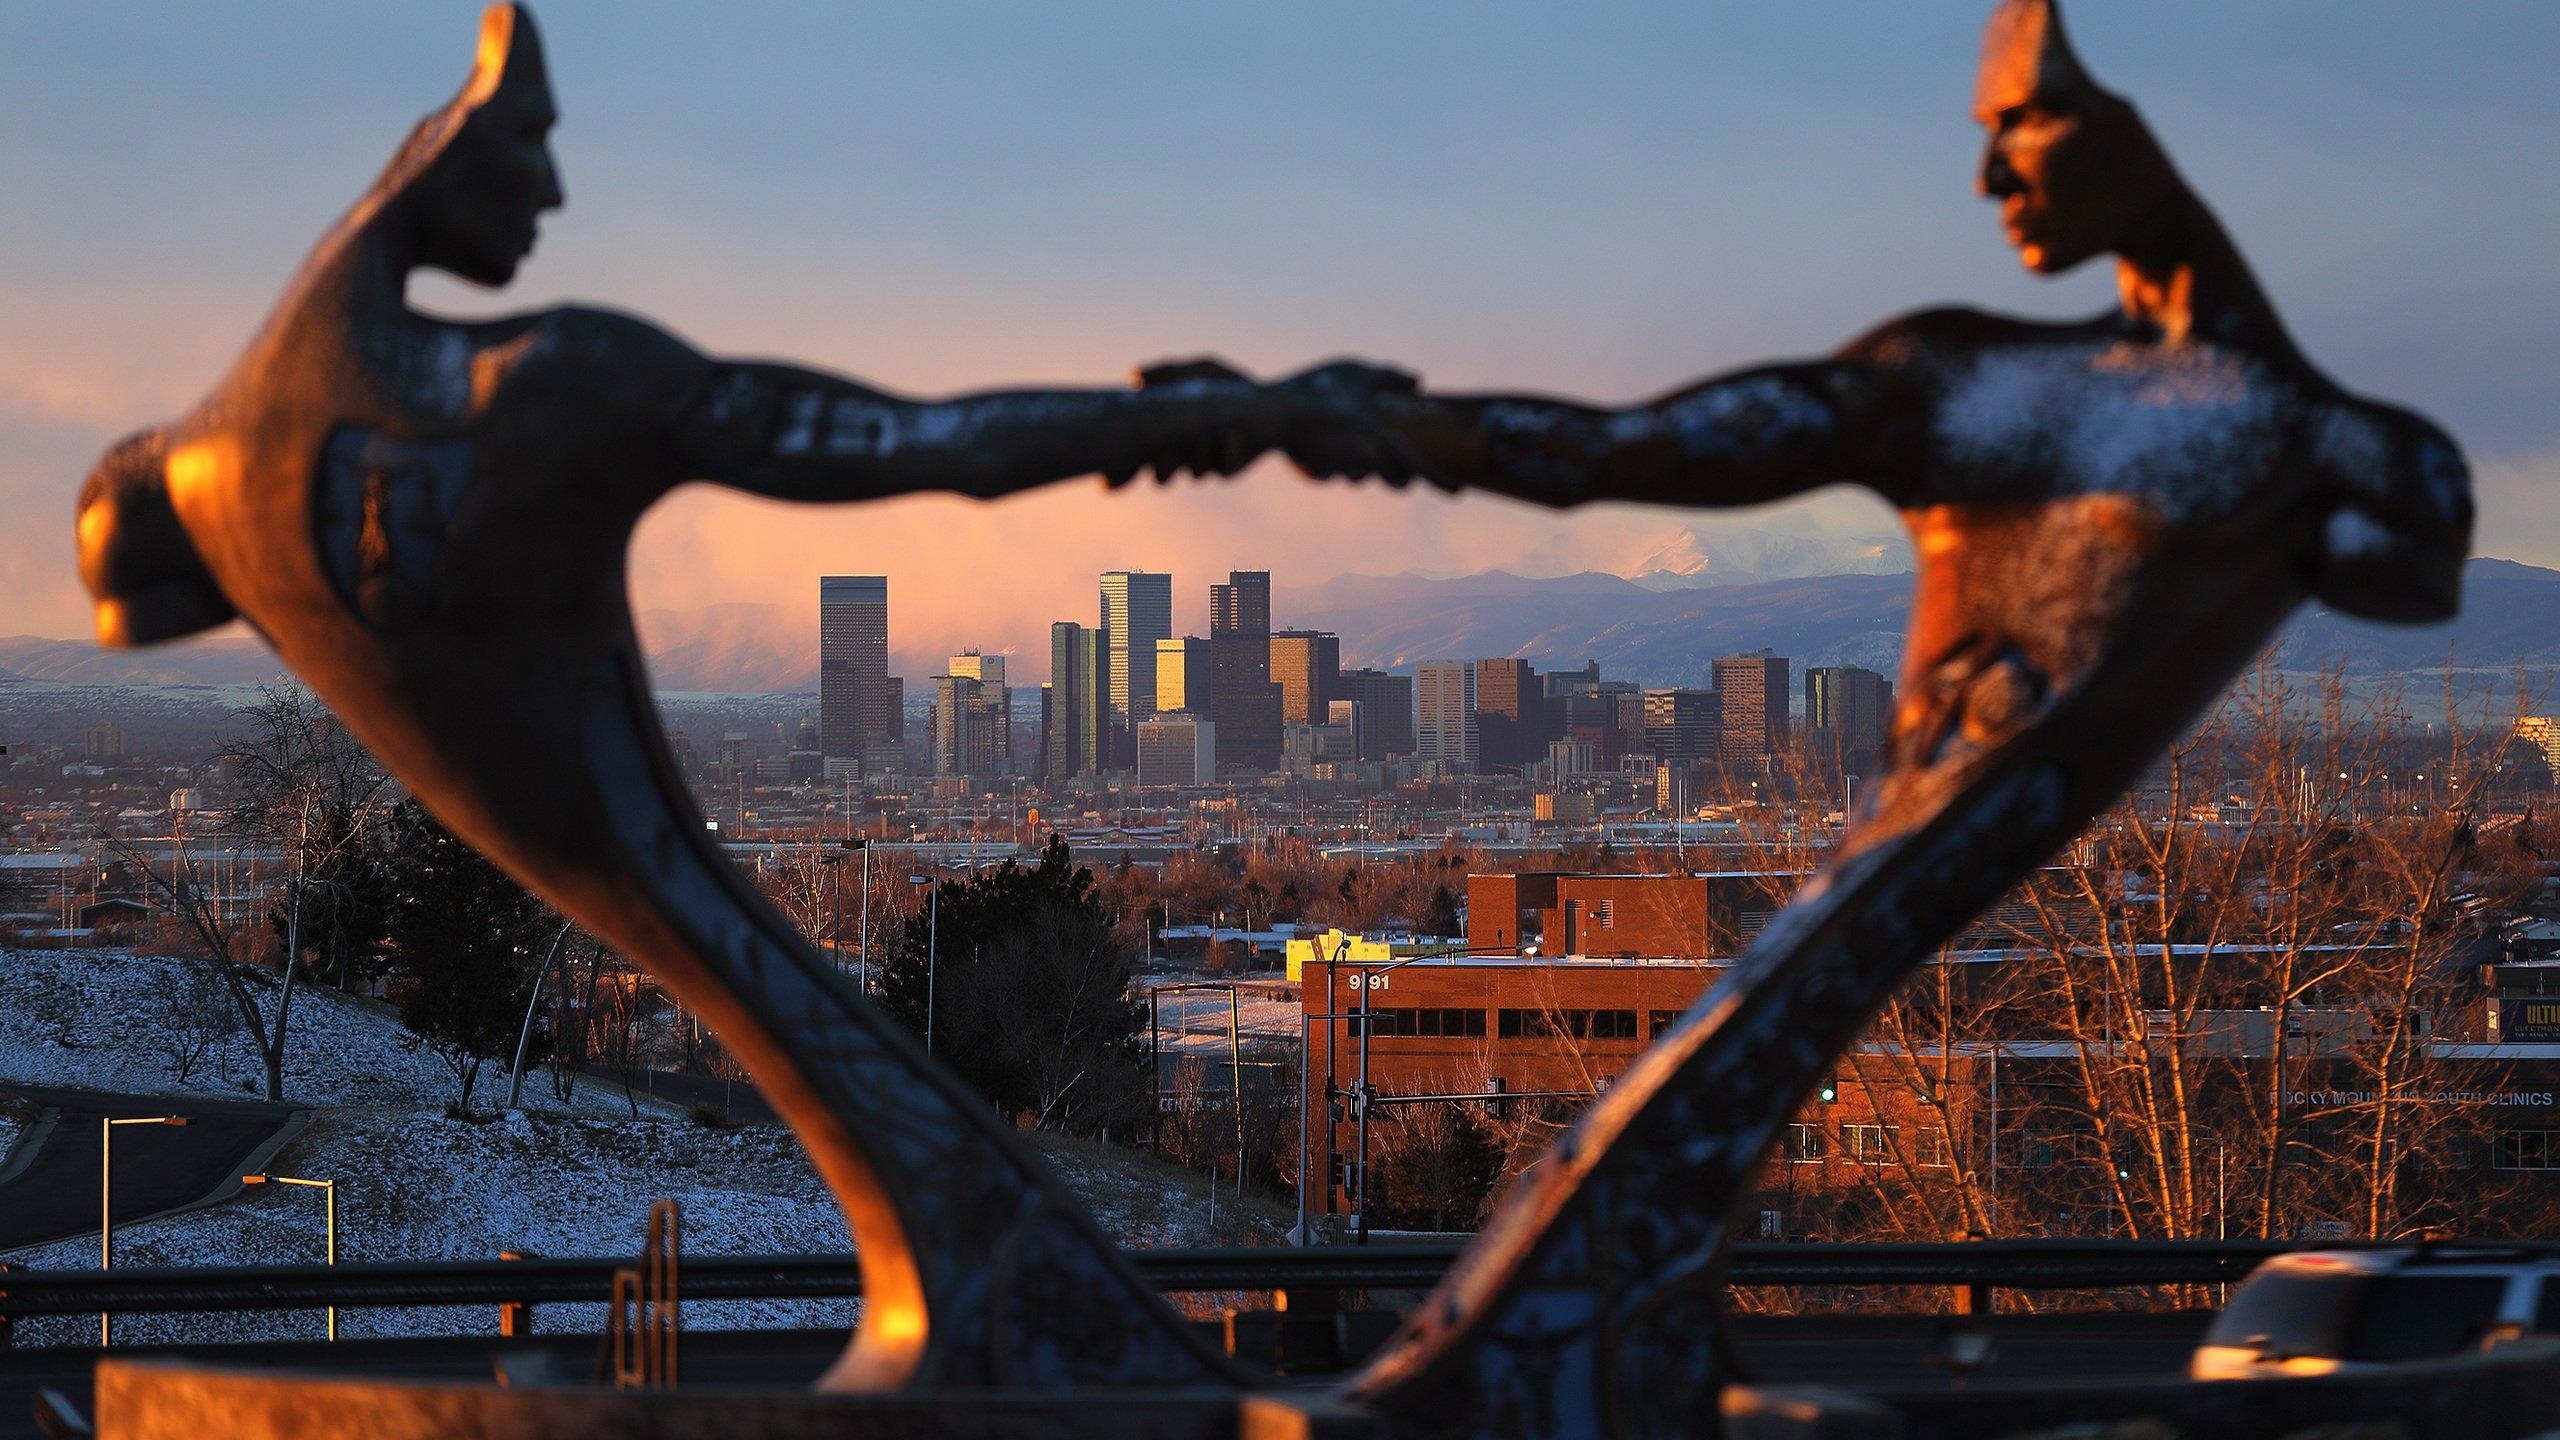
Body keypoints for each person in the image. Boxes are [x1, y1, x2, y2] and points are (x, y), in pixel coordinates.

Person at [73, 4, 1388, 1393]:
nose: (558, 193)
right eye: (533, 148)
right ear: (445, 166)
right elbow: (907, 445)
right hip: (630, 828)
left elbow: (154, 566)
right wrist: (1189, 420)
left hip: (599, 818)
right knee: (820, 1048)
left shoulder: (226, 491)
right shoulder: (558, 384)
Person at [1297, 4, 2477, 1432]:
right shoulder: (1984, 381)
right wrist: (1351, 421)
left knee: (1652, 1149)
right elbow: (1624, 449)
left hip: (1881, 903)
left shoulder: (2312, 443)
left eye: (2014, 133)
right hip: (1878, 886)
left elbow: (2410, 562)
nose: (1986, 186)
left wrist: (1337, 421)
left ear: (2115, 133)